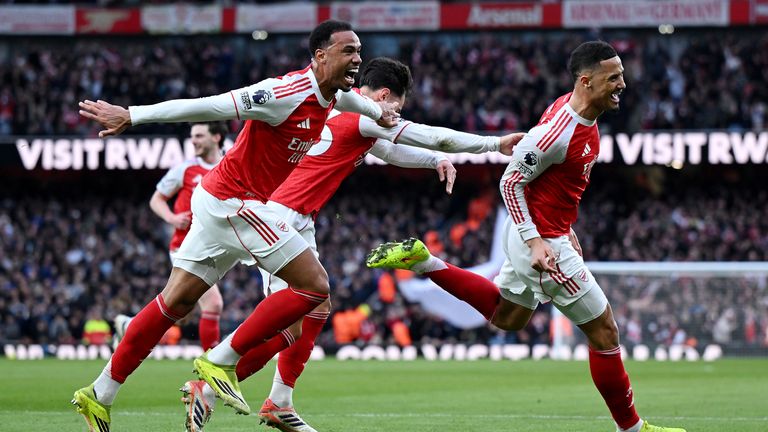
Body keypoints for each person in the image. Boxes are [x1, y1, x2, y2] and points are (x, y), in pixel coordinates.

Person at [72, 20, 400, 432]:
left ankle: (99, 394)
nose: (357, 58)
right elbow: (208, 106)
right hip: (233, 201)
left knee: (172, 303)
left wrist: (380, 110)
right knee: (315, 287)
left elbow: (353, 102)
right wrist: (133, 115)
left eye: (359, 50)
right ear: (320, 55)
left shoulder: (334, 94)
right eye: (348, 50)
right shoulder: (283, 93)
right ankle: (220, 361)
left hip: (220, 199)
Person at [177, 57, 524, 432]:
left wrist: (433, 161)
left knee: (317, 308)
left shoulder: (343, 110)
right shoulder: (364, 113)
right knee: (289, 326)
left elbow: (389, 151)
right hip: (279, 214)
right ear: (385, 95)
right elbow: (429, 134)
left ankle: (279, 400)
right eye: (397, 108)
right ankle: (209, 385)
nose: (395, 115)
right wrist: (494, 143)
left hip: (297, 216)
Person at [366, 41, 686, 432]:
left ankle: (424, 261)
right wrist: (538, 241)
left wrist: (567, 229)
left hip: (547, 233)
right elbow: (510, 182)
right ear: (586, 81)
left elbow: (551, 186)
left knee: (509, 316)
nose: (622, 83)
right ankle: (632, 429)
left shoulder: (583, 112)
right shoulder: (557, 133)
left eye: (621, 74)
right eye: (613, 77)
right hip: (541, 243)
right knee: (604, 330)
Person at [113, 122, 228, 352]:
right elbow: (156, 199)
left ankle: (129, 326)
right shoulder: (185, 169)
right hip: (185, 248)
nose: (193, 140)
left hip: (218, 247)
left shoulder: (230, 163)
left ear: (216, 137)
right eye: (192, 136)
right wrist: (172, 219)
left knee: (176, 310)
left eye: (199, 135)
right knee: (213, 304)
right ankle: (211, 371)